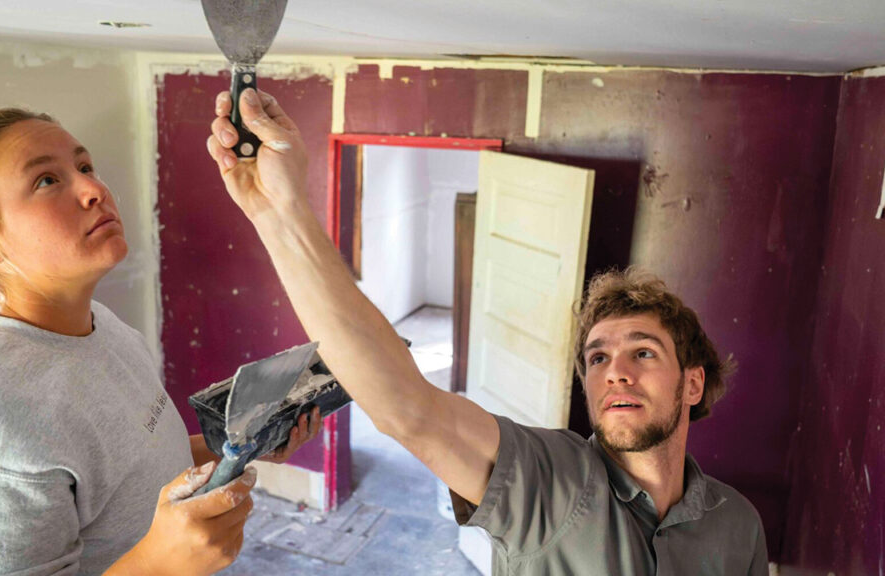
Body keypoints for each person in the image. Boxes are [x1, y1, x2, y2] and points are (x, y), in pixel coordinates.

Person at [203, 87, 769, 575]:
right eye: (597, 358)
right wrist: (279, 212)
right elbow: (409, 410)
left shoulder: (738, 525)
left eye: (643, 352)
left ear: (693, 385)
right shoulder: (553, 482)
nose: (615, 370)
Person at [0, 108, 321, 576]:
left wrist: (238, 446)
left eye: (85, 167)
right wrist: (159, 565)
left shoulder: (100, 327)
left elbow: (130, 468)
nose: (95, 189)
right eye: (47, 181)